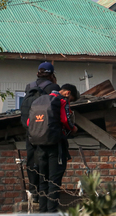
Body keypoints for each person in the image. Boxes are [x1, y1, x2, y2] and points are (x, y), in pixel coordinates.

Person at [28, 83, 79, 213]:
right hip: (55, 146)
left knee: (43, 180)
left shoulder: (39, 101)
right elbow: (65, 120)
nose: (70, 101)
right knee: (54, 182)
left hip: (39, 146)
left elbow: (29, 122)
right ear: (67, 93)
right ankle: (51, 212)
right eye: (71, 99)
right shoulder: (61, 101)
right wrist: (73, 128)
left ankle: (42, 211)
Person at [21, 62, 60, 203]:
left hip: (30, 130)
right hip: (45, 132)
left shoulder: (29, 87)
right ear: (52, 74)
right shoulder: (53, 87)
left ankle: (33, 191)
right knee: (46, 162)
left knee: (32, 161)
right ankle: (46, 194)